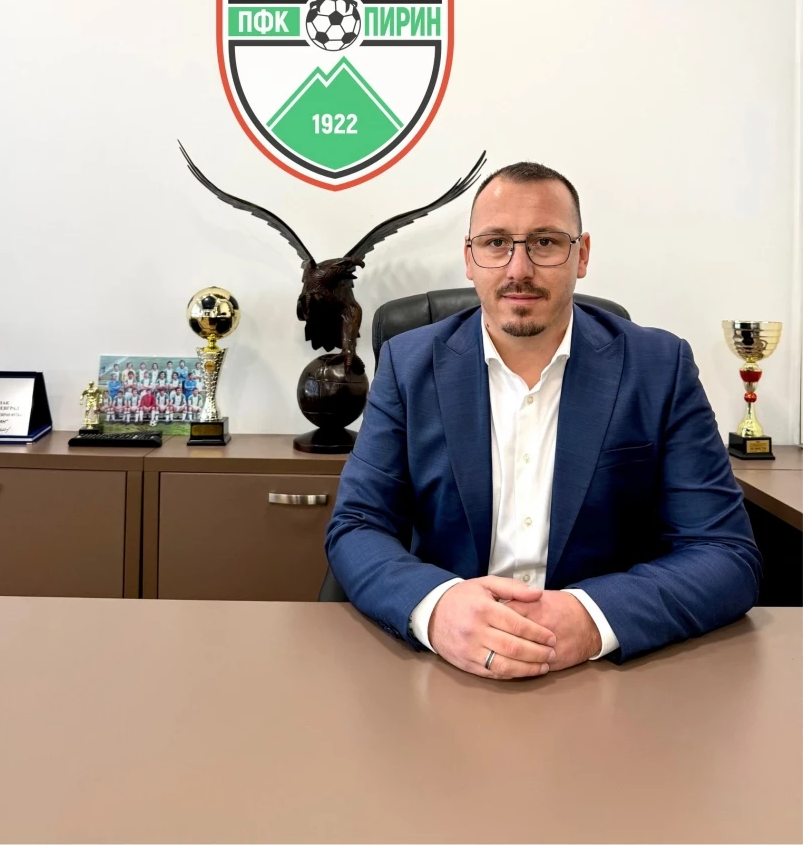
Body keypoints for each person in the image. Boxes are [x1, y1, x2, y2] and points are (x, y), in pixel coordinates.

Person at [325, 161, 762, 681]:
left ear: (582, 255)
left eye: (545, 242)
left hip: (606, 676)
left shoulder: (659, 368)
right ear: (469, 259)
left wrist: (591, 618)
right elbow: (358, 526)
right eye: (495, 243)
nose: (519, 269)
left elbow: (724, 553)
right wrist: (437, 607)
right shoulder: (408, 365)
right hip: (445, 670)